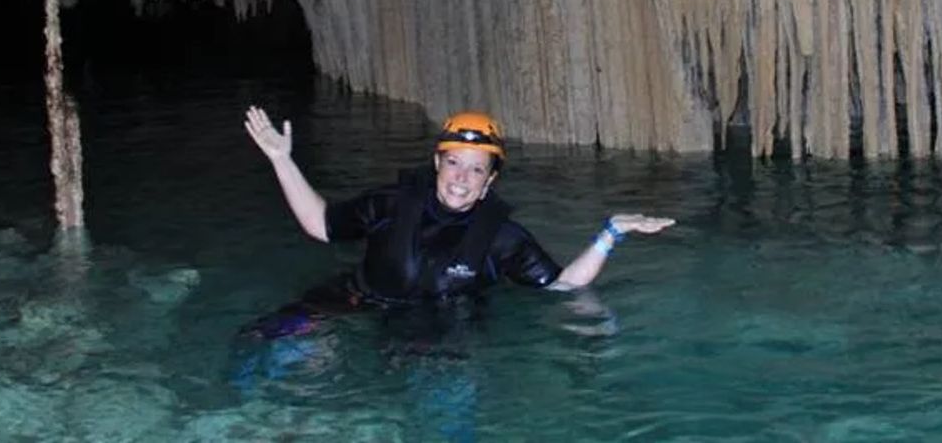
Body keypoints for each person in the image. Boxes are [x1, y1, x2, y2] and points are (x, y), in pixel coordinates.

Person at [242, 104, 674, 320]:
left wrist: (611, 232)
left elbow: (561, 286)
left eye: (476, 169)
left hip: (438, 333)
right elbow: (321, 225)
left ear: (490, 181)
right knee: (262, 346)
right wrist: (282, 160)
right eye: (453, 162)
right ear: (436, 163)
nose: (461, 177)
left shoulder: (503, 238)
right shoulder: (391, 203)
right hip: (355, 302)